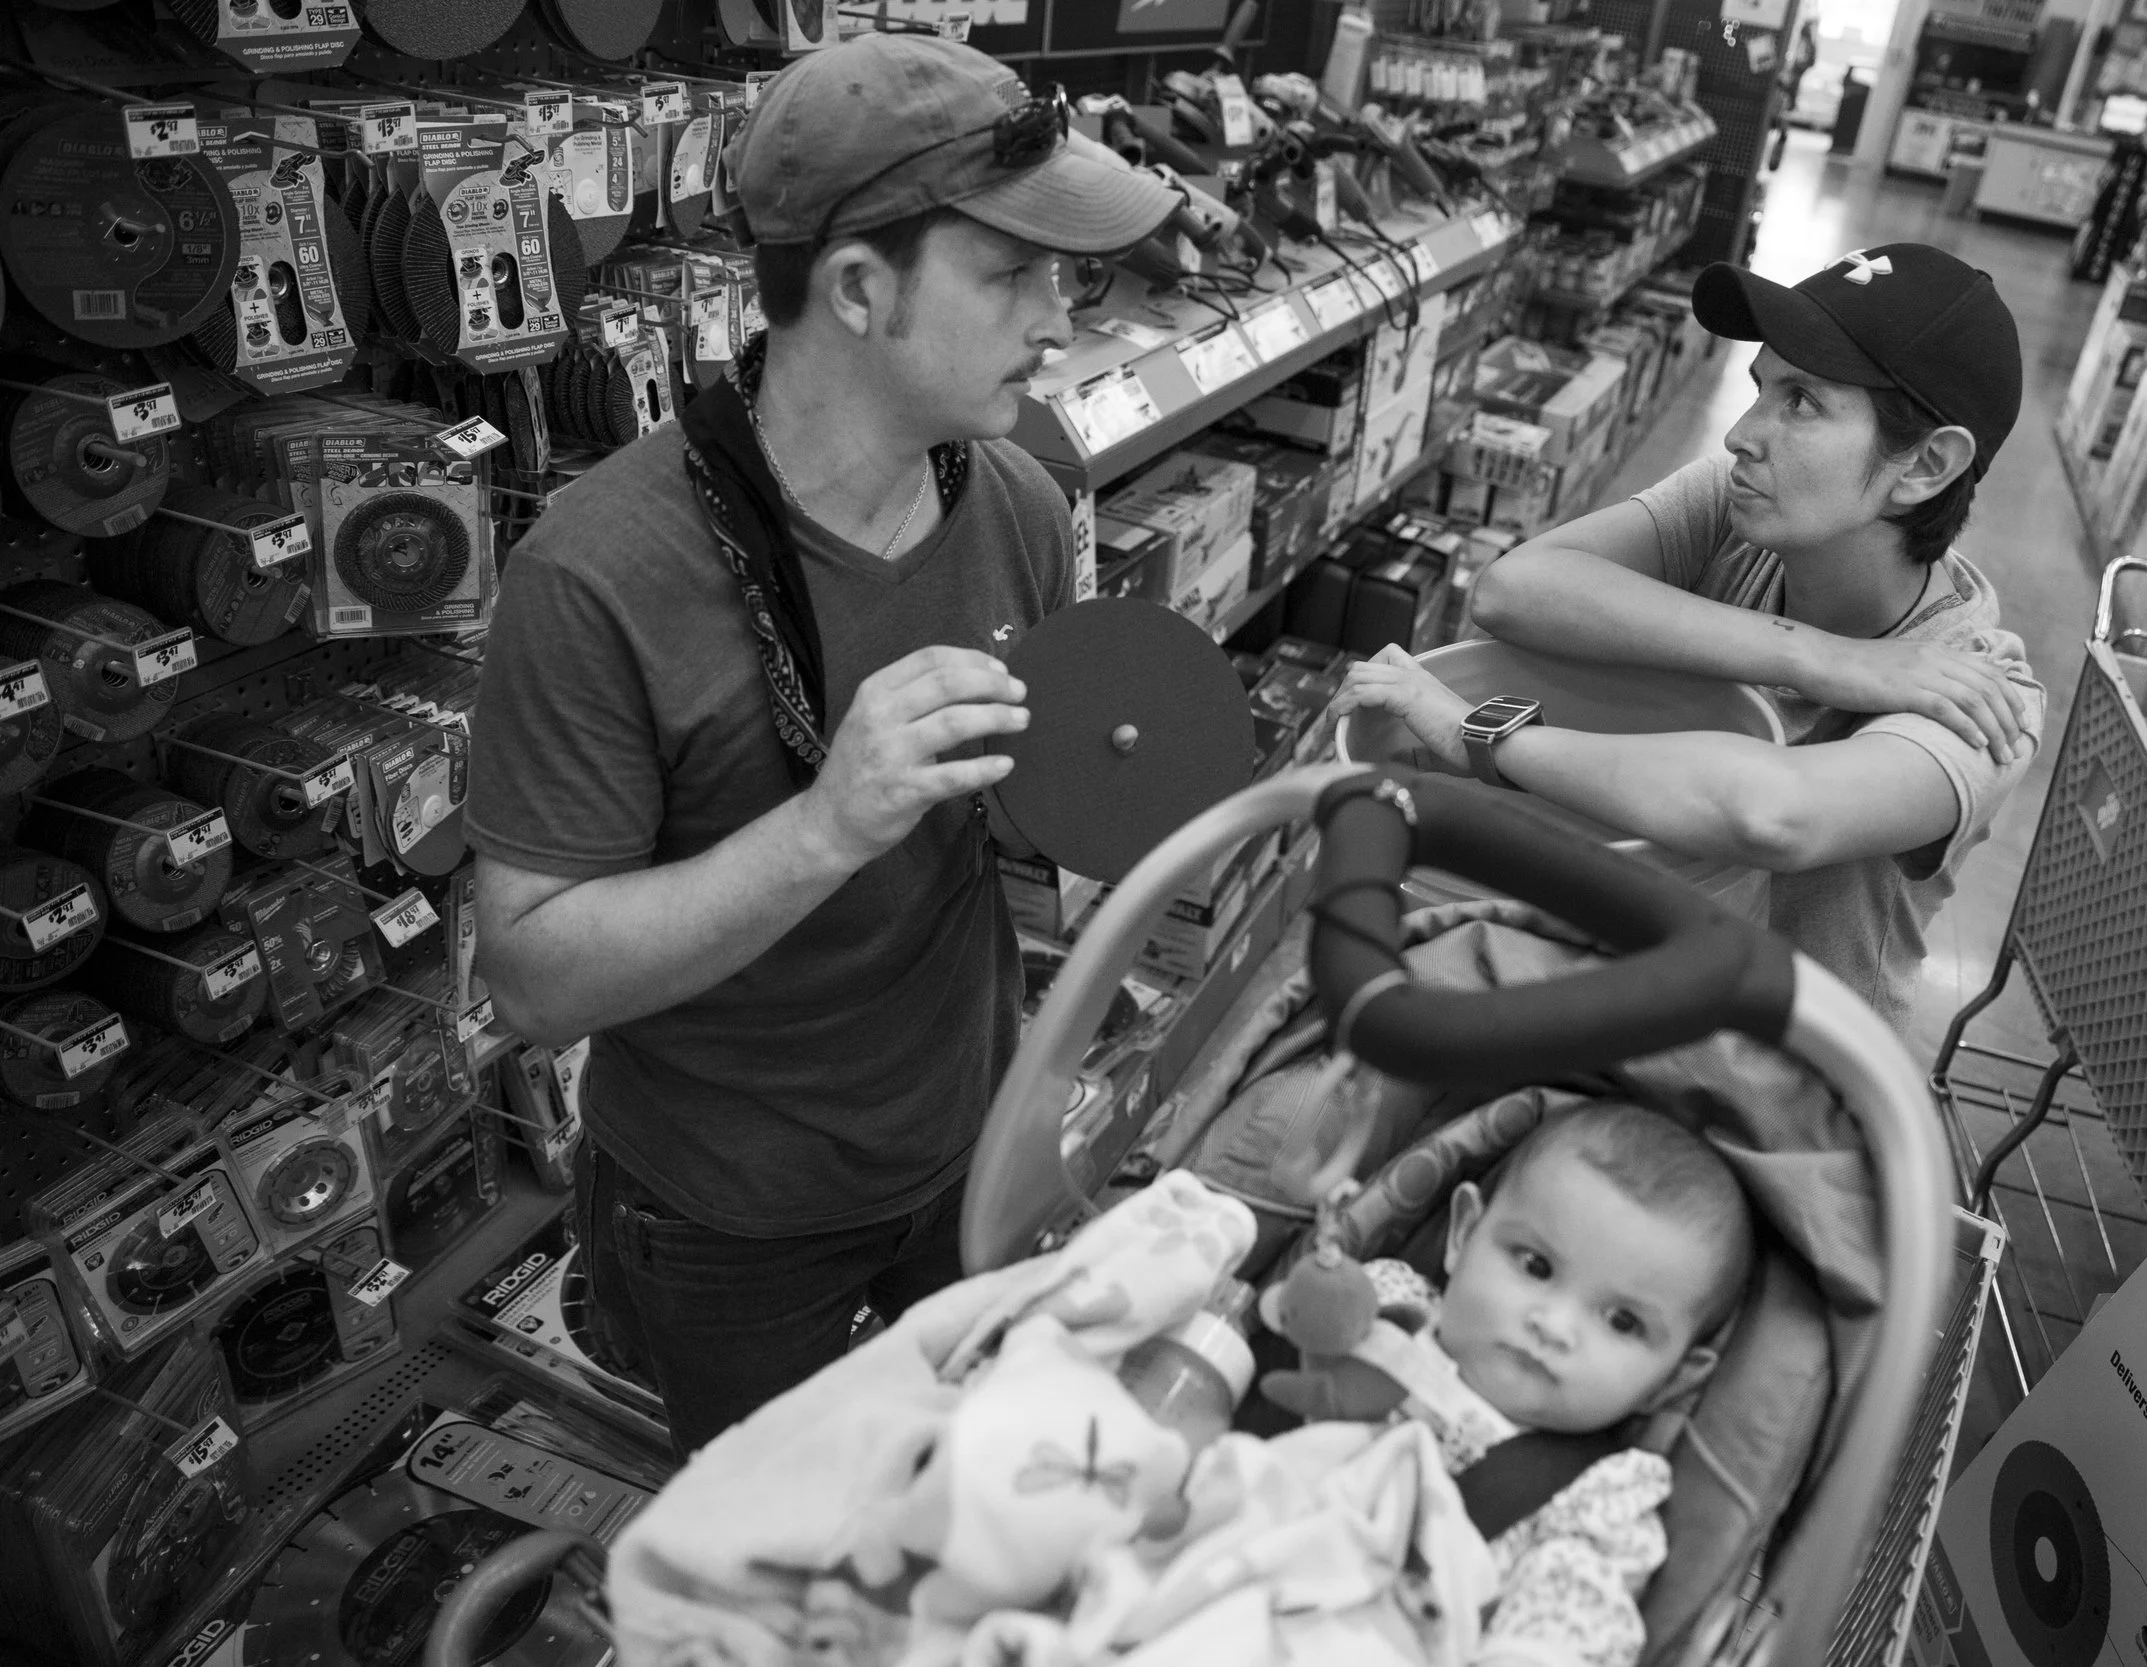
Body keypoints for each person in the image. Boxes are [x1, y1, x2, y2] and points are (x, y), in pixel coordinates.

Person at [465, 33, 1180, 1452]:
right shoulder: (600, 570)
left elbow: (1020, 821)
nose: (1058, 321)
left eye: (1069, 275)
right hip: (728, 1223)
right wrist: (823, 825)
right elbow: (537, 978)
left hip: (971, 1136)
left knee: (978, 1497)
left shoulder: (1024, 504)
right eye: (1013, 273)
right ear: (857, 287)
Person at [1331, 243, 2048, 1028]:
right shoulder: (1735, 510)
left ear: (1925, 465)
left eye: (1802, 402)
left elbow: (1767, 814)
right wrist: (1818, 656)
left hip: (1784, 1080)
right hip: (1623, 988)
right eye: (1761, 389)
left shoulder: (1982, 697)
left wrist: (1483, 739)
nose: (1743, 434)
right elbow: (1514, 590)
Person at [1267, 1103, 1755, 1667]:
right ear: (1464, 1234)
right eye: (1535, 1266)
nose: (1554, 1326)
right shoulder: (1383, 1304)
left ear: (1671, 1380)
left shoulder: (1600, 1497)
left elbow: (1570, 1622)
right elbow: (1282, 1326)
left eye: (1623, 1322)